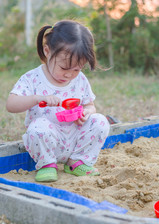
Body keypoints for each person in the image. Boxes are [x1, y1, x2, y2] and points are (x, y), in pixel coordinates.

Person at [6, 20, 110, 182]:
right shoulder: (32, 78)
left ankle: (76, 161)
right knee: (38, 128)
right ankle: (47, 164)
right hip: (47, 141)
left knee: (100, 121)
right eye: (63, 68)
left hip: (74, 139)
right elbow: (11, 105)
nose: (69, 75)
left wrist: (87, 112)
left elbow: (90, 105)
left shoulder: (80, 80)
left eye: (76, 69)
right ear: (47, 51)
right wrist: (37, 98)